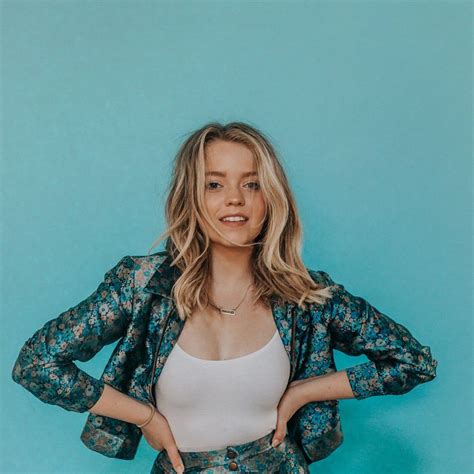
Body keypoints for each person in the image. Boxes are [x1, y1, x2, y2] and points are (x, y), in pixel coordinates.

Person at [12, 121, 438, 473]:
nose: (235, 199)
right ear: (191, 198)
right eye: (214, 184)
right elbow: (36, 364)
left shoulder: (304, 297)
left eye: (251, 184)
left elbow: (412, 362)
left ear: (271, 198)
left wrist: (305, 392)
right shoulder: (143, 286)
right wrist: (145, 416)